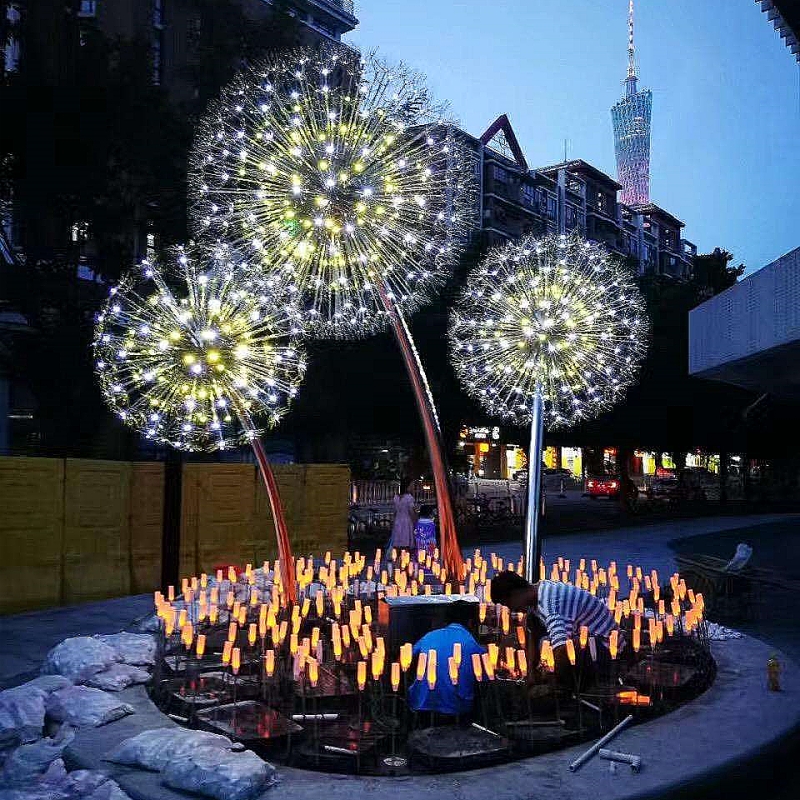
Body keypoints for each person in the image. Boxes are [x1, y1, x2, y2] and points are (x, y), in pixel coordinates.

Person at [490, 571, 619, 669]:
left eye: (509, 604)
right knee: (537, 632)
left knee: (556, 661)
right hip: (593, 640)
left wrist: (547, 675)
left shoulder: (549, 605)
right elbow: (531, 630)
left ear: (515, 594)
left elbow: (561, 648)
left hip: (605, 648)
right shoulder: (542, 588)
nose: (512, 609)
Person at [407, 622, 486, 715]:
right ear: (470, 624)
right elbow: (486, 665)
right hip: (458, 705)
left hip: (422, 702)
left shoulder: (430, 636)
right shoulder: (469, 639)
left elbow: (407, 655)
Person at [389, 479, 417, 550]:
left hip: (398, 521)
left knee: (398, 543)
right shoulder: (409, 498)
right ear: (407, 486)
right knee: (406, 543)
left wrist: (393, 522)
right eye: (411, 486)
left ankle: (398, 558)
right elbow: (411, 512)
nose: (412, 487)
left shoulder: (396, 497)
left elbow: (395, 512)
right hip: (406, 522)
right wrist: (415, 522)